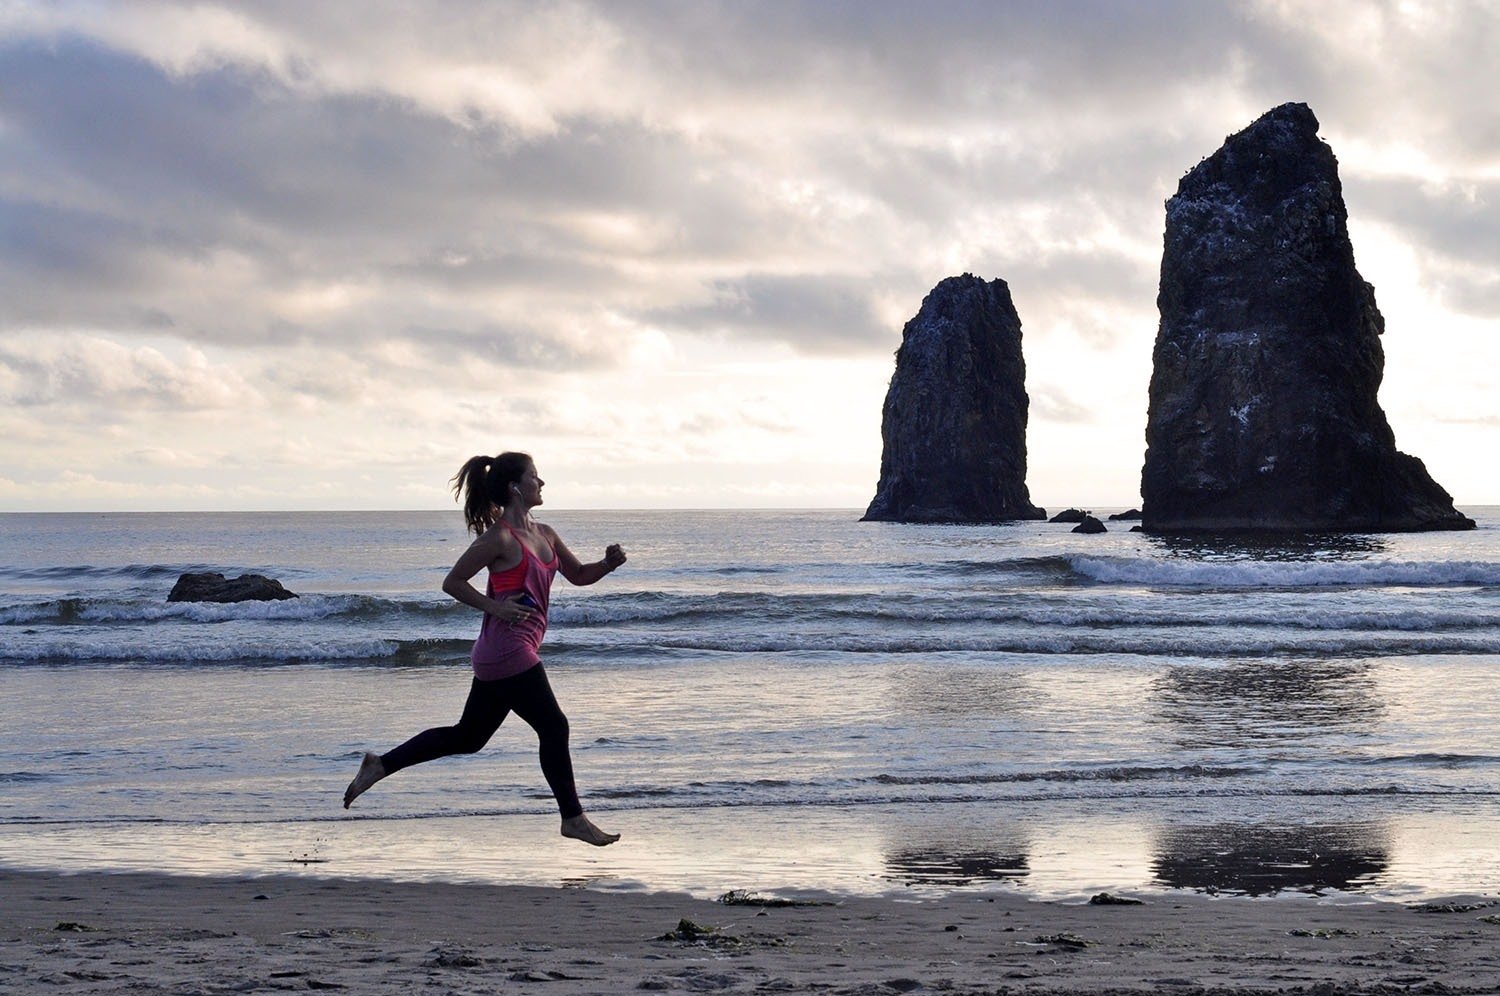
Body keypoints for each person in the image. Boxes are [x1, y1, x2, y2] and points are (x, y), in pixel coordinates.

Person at [342, 452, 624, 846]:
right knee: (554, 726)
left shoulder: (546, 533)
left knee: (469, 737)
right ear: (514, 487)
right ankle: (572, 818)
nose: (541, 484)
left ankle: (380, 764)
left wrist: (607, 565)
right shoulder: (498, 538)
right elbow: (453, 582)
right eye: (534, 477)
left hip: (502, 653)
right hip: (507, 650)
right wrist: (496, 607)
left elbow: (577, 575)